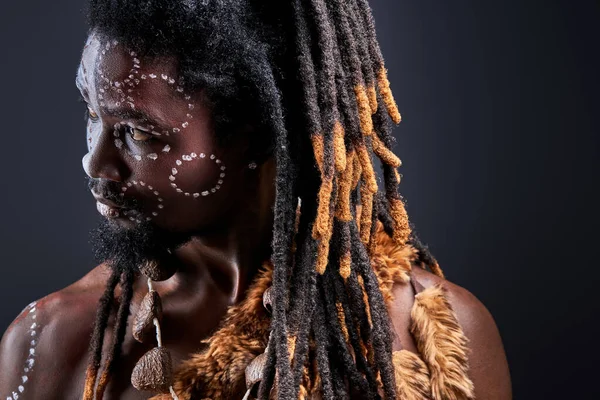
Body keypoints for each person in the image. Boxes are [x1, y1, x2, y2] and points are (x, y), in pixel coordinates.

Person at [0, 0, 511, 398]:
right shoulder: (53, 340)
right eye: (93, 114)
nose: (95, 163)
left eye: (139, 133)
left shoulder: (429, 342)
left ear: (258, 133)